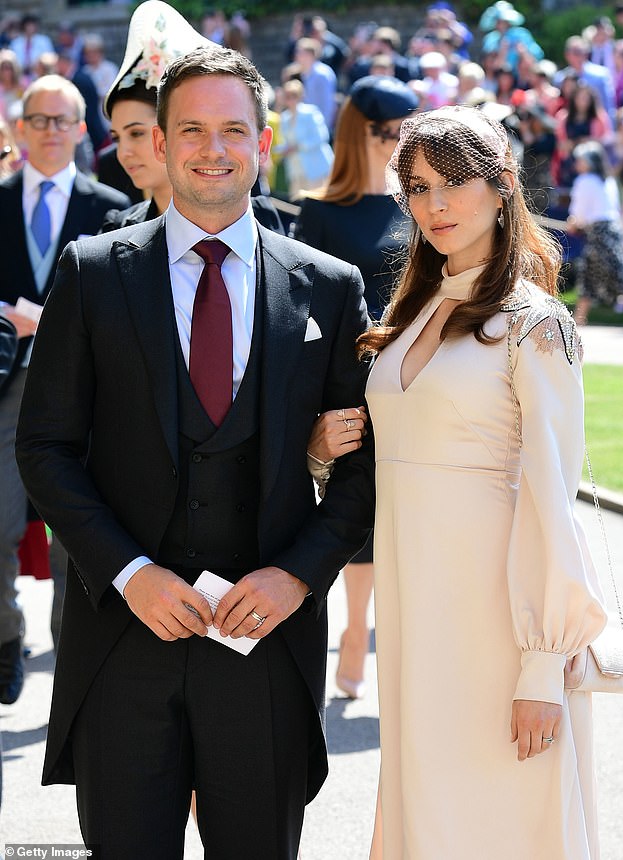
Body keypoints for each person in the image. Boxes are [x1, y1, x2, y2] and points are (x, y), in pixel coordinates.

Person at [15, 44, 374, 859]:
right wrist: (130, 575)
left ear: (265, 141)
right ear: (162, 143)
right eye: (193, 130)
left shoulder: (329, 286)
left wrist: (296, 576)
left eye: (233, 131)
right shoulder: (94, 272)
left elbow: (361, 475)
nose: (214, 149)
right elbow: (46, 448)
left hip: (266, 646)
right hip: (122, 644)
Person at [308, 105, 607, 858]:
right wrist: (319, 452)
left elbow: (551, 493)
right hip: (415, 617)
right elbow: (387, 461)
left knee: (500, 818)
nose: (433, 204)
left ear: (502, 184)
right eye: (415, 186)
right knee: (429, 810)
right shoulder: (411, 313)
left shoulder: (535, 323)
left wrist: (543, 661)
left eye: (453, 183)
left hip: (497, 624)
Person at [0, 75, 130, 680]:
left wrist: (47, 321)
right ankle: (6, 638)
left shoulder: (110, 210)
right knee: (1, 521)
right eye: (39, 120)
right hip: (4, 386)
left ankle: (68, 653)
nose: (50, 131)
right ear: (19, 128)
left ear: (82, 131)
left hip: (82, 393)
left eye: (63, 121)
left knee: (71, 532)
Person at [294, 75, 417, 699]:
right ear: (355, 131)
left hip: (418, 382)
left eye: (405, 130)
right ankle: (352, 628)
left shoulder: (418, 206)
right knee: (357, 503)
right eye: (386, 131)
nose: (397, 142)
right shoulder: (319, 211)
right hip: (350, 384)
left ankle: (374, 633)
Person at [100, 1, 285, 236]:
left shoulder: (263, 224)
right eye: (117, 138)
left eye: (136, 133)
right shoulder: (116, 232)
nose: (124, 152)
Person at [567, 140, 623, 324]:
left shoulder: (585, 180)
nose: (577, 164)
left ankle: (580, 318)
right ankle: (579, 319)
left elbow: (579, 213)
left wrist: (574, 222)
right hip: (610, 230)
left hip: (599, 232)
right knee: (590, 274)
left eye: (580, 160)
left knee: (619, 276)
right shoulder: (608, 179)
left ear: (589, 161)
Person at [276, 78, 333, 200]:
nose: (291, 99)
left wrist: (297, 147)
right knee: (297, 206)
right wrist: (282, 150)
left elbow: (321, 137)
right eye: (287, 96)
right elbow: (285, 142)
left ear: (300, 96)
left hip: (315, 168)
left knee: (317, 204)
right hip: (296, 170)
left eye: (294, 95)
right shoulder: (284, 118)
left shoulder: (311, 112)